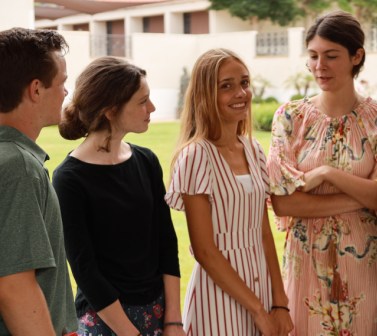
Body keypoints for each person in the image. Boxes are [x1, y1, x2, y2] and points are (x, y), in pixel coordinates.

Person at [267, 11, 377, 335]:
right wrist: (364, 192)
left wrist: (328, 173)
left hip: (367, 262)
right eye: (313, 56)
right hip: (305, 262)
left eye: (331, 56)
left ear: (357, 56)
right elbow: (284, 204)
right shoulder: (289, 118)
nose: (320, 66)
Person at [165, 48, 293, 336]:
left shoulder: (253, 149)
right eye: (227, 86)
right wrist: (257, 310)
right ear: (204, 95)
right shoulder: (196, 156)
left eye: (244, 83)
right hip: (219, 297)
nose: (241, 93)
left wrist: (280, 302)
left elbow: (262, 232)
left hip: (261, 289)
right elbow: (205, 250)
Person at [51, 57, 183, 336]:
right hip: (106, 321)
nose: (152, 108)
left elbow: (167, 245)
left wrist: (173, 322)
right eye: (142, 101)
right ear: (111, 110)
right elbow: (84, 271)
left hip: (159, 314)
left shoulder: (146, 161)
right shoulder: (69, 179)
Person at [0, 28, 78, 336]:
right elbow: (14, 287)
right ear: (36, 89)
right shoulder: (18, 166)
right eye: (62, 83)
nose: (65, 92)